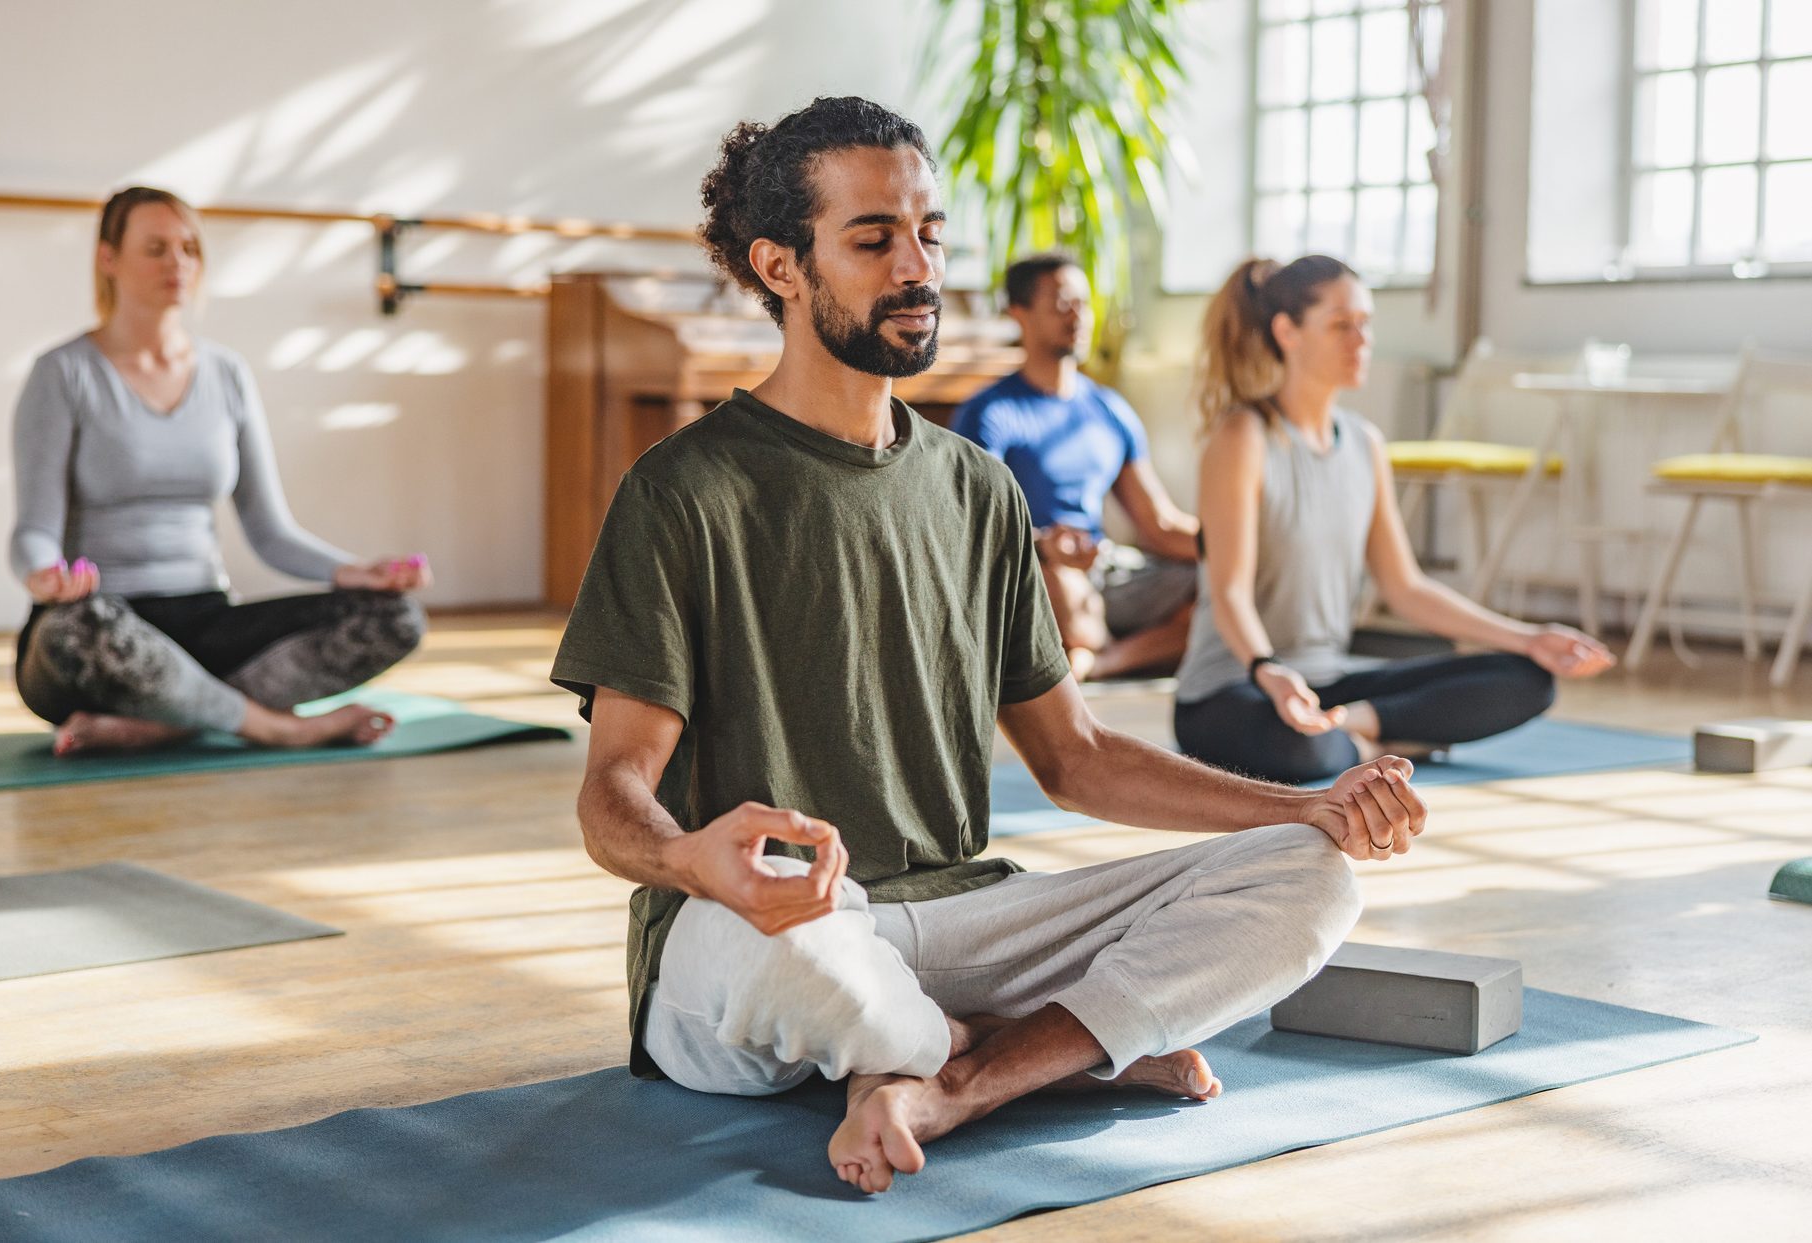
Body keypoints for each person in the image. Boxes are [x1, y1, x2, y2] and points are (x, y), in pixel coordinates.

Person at [554, 97, 1427, 1197]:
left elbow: (1075, 760)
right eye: (874, 241)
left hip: (962, 907)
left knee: (1311, 880)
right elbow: (610, 793)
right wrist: (689, 859)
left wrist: (1302, 808)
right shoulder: (682, 491)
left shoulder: (976, 488)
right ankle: (1048, 1046)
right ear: (780, 265)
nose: (917, 266)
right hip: (765, 927)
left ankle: (949, 1078)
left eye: (929, 234)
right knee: (825, 969)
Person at [9, 186, 431, 756]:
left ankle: (169, 722)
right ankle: (279, 728)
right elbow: (33, 529)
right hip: (101, 631)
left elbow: (270, 532)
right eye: (156, 248)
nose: (178, 262)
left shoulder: (227, 374)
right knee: (72, 627)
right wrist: (44, 575)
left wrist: (356, 572)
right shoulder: (63, 374)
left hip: (205, 622)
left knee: (396, 617)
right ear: (108, 259)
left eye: (188, 247)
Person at [1173, 255, 1616, 785]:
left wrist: (1526, 637)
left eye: (1365, 324)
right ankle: (1377, 740)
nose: (1360, 341)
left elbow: (1404, 587)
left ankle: (1357, 731)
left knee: (1528, 679)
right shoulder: (1243, 438)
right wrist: (1269, 669)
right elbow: (1229, 593)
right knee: (1293, 746)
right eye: (1341, 326)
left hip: (1327, 684)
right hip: (1236, 688)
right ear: (1287, 331)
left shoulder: (1364, 444)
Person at [951, 253, 1200, 681]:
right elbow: (978, 520)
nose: (1078, 315)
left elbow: (1158, 523)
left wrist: (1237, 549)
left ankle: (1098, 661)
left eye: (1083, 303)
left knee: (1220, 589)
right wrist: (1045, 544)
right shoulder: (989, 412)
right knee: (1061, 580)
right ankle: (1083, 648)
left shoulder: (1110, 409)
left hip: (1105, 567)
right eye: (1062, 303)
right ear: (1020, 313)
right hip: (1040, 566)